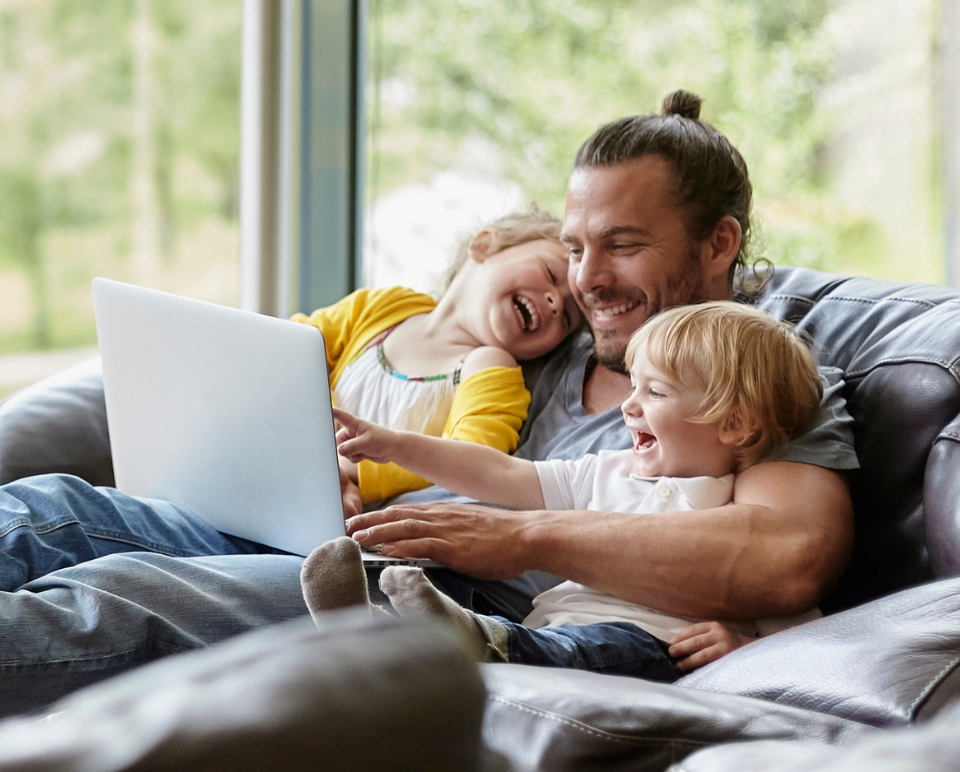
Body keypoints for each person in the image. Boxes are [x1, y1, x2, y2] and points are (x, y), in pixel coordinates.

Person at [0, 89, 857, 719]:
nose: (587, 282)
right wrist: (306, 453)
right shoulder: (555, 333)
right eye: (574, 248)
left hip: (444, 590)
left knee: (119, 598)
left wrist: (515, 537)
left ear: (719, 244)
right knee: (51, 510)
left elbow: (785, 557)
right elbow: (426, 347)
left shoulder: (760, 371)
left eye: (623, 247)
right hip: (346, 528)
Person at [302, 301, 823, 680]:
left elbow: (807, 632)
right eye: (634, 386)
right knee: (442, 586)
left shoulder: (739, 513)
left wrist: (743, 643)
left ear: (732, 424)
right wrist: (396, 445)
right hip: (544, 626)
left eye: (656, 392)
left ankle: (452, 643)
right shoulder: (607, 471)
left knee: (598, 645)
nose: (629, 406)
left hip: (647, 649)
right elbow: (503, 475)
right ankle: (374, 632)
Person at [292, 208, 581, 513]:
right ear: (483, 246)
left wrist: (350, 473)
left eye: (568, 320)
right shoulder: (386, 305)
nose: (556, 303)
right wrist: (321, 455)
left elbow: (471, 463)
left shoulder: (490, 366)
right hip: (290, 466)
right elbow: (291, 351)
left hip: (340, 514)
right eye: (550, 273)